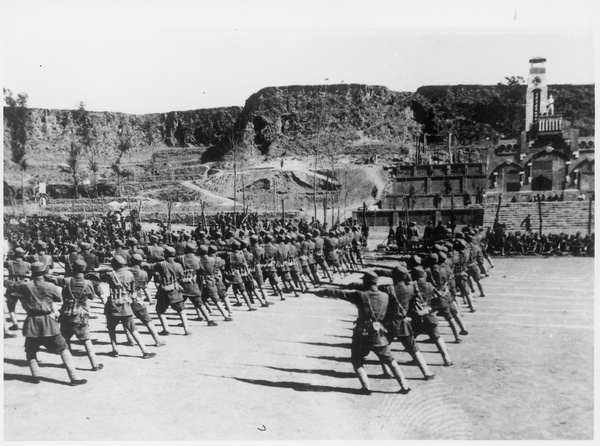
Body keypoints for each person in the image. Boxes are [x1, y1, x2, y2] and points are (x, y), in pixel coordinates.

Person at [314, 272, 411, 395]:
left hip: (361, 334)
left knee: (357, 360)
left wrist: (322, 291)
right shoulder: (386, 296)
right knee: (390, 360)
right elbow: (398, 312)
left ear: (365, 281)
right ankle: (404, 386)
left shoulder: (360, 295)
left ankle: (366, 388)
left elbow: (338, 293)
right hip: (379, 333)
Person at [4, 262, 87, 385]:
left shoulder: (24, 286)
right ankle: (74, 377)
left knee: (30, 350)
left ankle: (35, 376)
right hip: (48, 323)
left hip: (32, 323)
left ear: (31, 271)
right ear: (44, 272)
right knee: (63, 347)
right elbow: (58, 298)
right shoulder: (50, 286)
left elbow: (11, 291)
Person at [59, 259, 103, 371]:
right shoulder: (87, 283)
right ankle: (94, 364)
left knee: (65, 339)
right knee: (86, 340)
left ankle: (67, 362)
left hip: (66, 314)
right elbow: (91, 297)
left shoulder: (66, 281)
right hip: (80, 315)